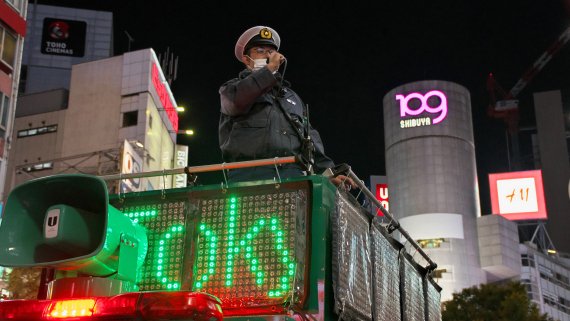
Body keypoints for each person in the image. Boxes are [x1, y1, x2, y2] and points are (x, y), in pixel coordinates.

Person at [218, 25, 355, 188]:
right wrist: (268, 72)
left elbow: (310, 139)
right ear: (247, 60)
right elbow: (236, 102)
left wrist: (329, 174)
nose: (268, 56)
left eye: (271, 52)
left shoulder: (292, 98)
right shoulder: (231, 89)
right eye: (260, 50)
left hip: (292, 178)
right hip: (247, 176)